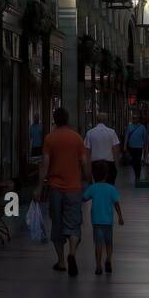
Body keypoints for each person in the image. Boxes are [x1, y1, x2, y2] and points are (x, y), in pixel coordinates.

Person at [35, 107, 91, 277]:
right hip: (74, 187)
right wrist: (87, 178)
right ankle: (72, 253)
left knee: (57, 224)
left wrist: (39, 187)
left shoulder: (50, 139)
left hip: (55, 188)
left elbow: (45, 163)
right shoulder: (76, 138)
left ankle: (61, 261)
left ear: (54, 120)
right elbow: (84, 161)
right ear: (67, 120)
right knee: (73, 223)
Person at [82, 160, 124, 275]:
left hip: (96, 222)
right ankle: (108, 260)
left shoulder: (93, 188)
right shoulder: (111, 189)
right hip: (108, 222)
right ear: (107, 174)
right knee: (109, 243)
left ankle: (98, 266)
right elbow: (116, 203)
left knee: (98, 244)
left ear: (94, 175)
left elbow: (84, 198)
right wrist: (120, 217)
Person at [84, 112, 121, 184]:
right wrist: (116, 165)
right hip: (109, 163)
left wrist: (88, 168)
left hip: (95, 164)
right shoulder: (112, 132)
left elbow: (87, 152)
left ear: (97, 120)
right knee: (110, 184)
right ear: (106, 120)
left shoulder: (90, 133)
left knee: (98, 184)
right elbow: (116, 149)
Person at [123, 115, 147, 183]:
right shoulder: (129, 127)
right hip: (131, 147)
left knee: (138, 161)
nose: (134, 119)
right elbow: (126, 137)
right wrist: (124, 146)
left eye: (136, 118)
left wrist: (145, 147)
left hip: (139, 147)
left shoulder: (142, 127)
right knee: (133, 161)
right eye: (133, 118)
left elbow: (144, 138)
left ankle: (138, 176)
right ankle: (136, 173)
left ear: (138, 119)